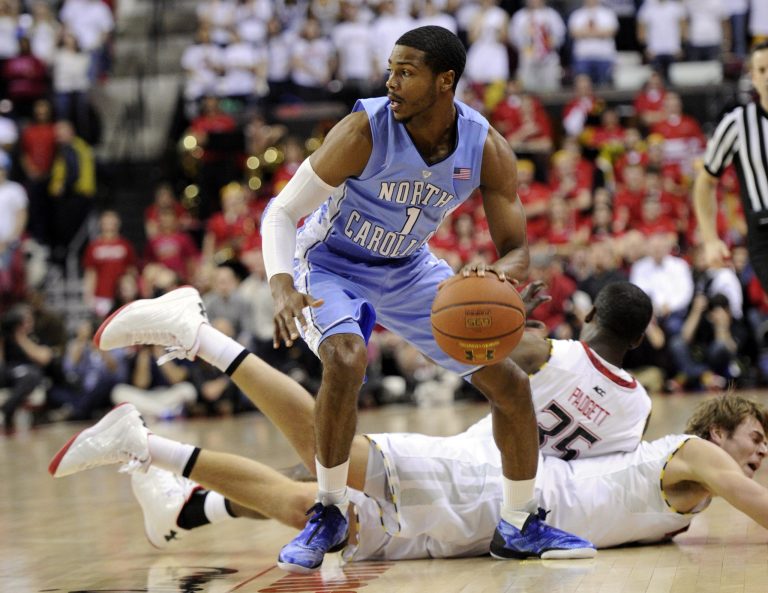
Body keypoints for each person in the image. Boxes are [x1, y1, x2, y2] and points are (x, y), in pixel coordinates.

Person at [49, 294, 768, 557]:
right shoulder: (661, 428)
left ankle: (150, 449)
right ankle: (198, 334)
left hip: (476, 522)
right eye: (757, 438)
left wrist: (499, 315)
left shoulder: (559, 353)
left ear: (589, 317)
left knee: (310, 497)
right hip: (480, 478)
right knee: (327, 454)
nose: (761, 453)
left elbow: (482, 349)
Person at [257, 25, 592, 571]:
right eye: (390, 69)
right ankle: (330, 509)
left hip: (409, 267)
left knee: (509, 382)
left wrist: (499, 277)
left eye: (405, 72)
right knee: (346, 357)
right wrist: (280, 282)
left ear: (445, 81)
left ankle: (519, 521)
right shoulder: (363, 130)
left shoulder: (486, 146)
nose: (391, 81)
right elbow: (282, 211)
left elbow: (516, 251)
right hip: (330, 263)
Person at [693, 41, 768, 293]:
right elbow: (705, 182)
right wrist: (710, 240)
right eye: (761, 70)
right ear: (753, 77)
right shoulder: (737, 124)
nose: (767, 77)